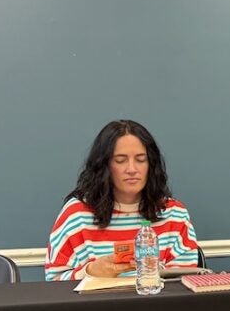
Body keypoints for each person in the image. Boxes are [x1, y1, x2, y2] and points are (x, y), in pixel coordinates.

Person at [45, 120, 200, 281]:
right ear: (104, 166)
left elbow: (184, 283)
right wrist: (89, 272)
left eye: (140, 160)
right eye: (120, 160)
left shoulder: (174, 213)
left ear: (151, 165)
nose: (132, 169)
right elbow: (53, 280)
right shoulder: (76, 214)